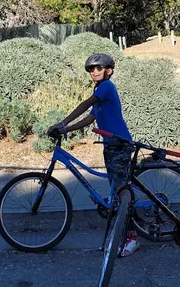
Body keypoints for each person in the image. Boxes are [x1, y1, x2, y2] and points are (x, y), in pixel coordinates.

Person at [47, 52, 139, 257]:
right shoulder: (100, 90)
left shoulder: (106, 87)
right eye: (91, 69)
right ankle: (122, 224)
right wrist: (66, 129)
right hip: (111, 143)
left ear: (109, 70)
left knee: (122, 191)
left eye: (99, 68)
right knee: (116, 189)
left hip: (119, 143)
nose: (94, 71)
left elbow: (85, 105)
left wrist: (62, 122)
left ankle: (132, 236)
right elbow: (90, 118)